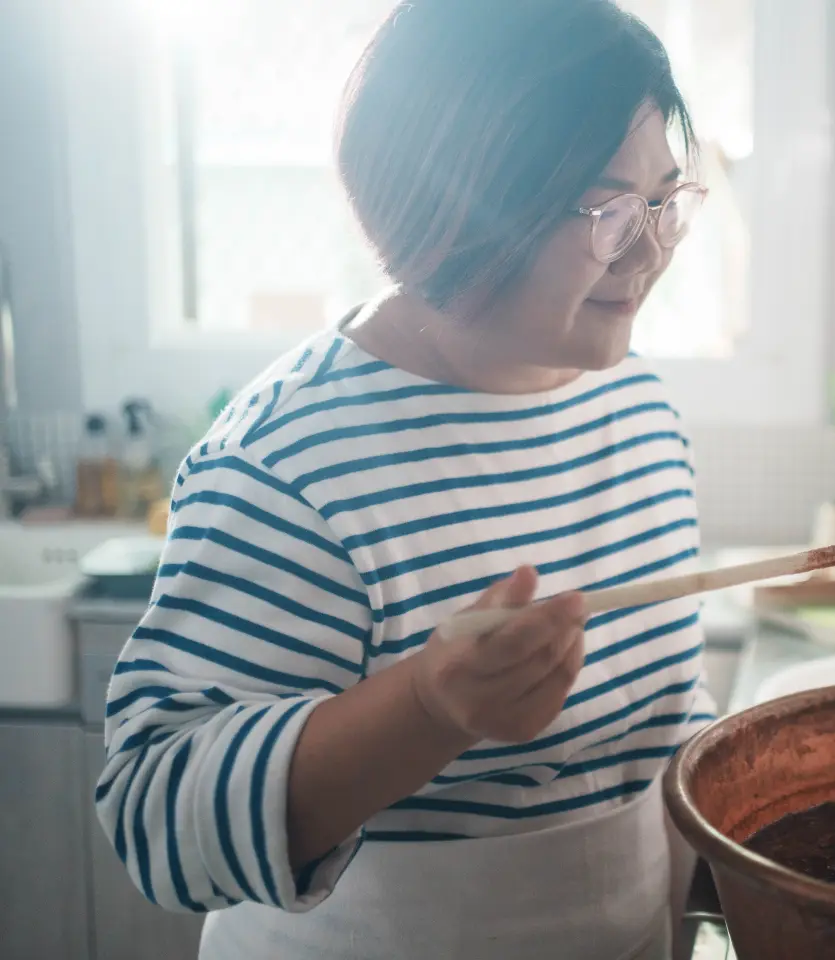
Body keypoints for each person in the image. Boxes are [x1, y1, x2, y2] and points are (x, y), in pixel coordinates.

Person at [95, 1, 716, 957]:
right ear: (456, 209)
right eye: (605, 211)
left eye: (666, 199)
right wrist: (427, 709)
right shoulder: (288, 461)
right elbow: (155, 820)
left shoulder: (634, 404)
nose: (650, 249)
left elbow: (664, 720)